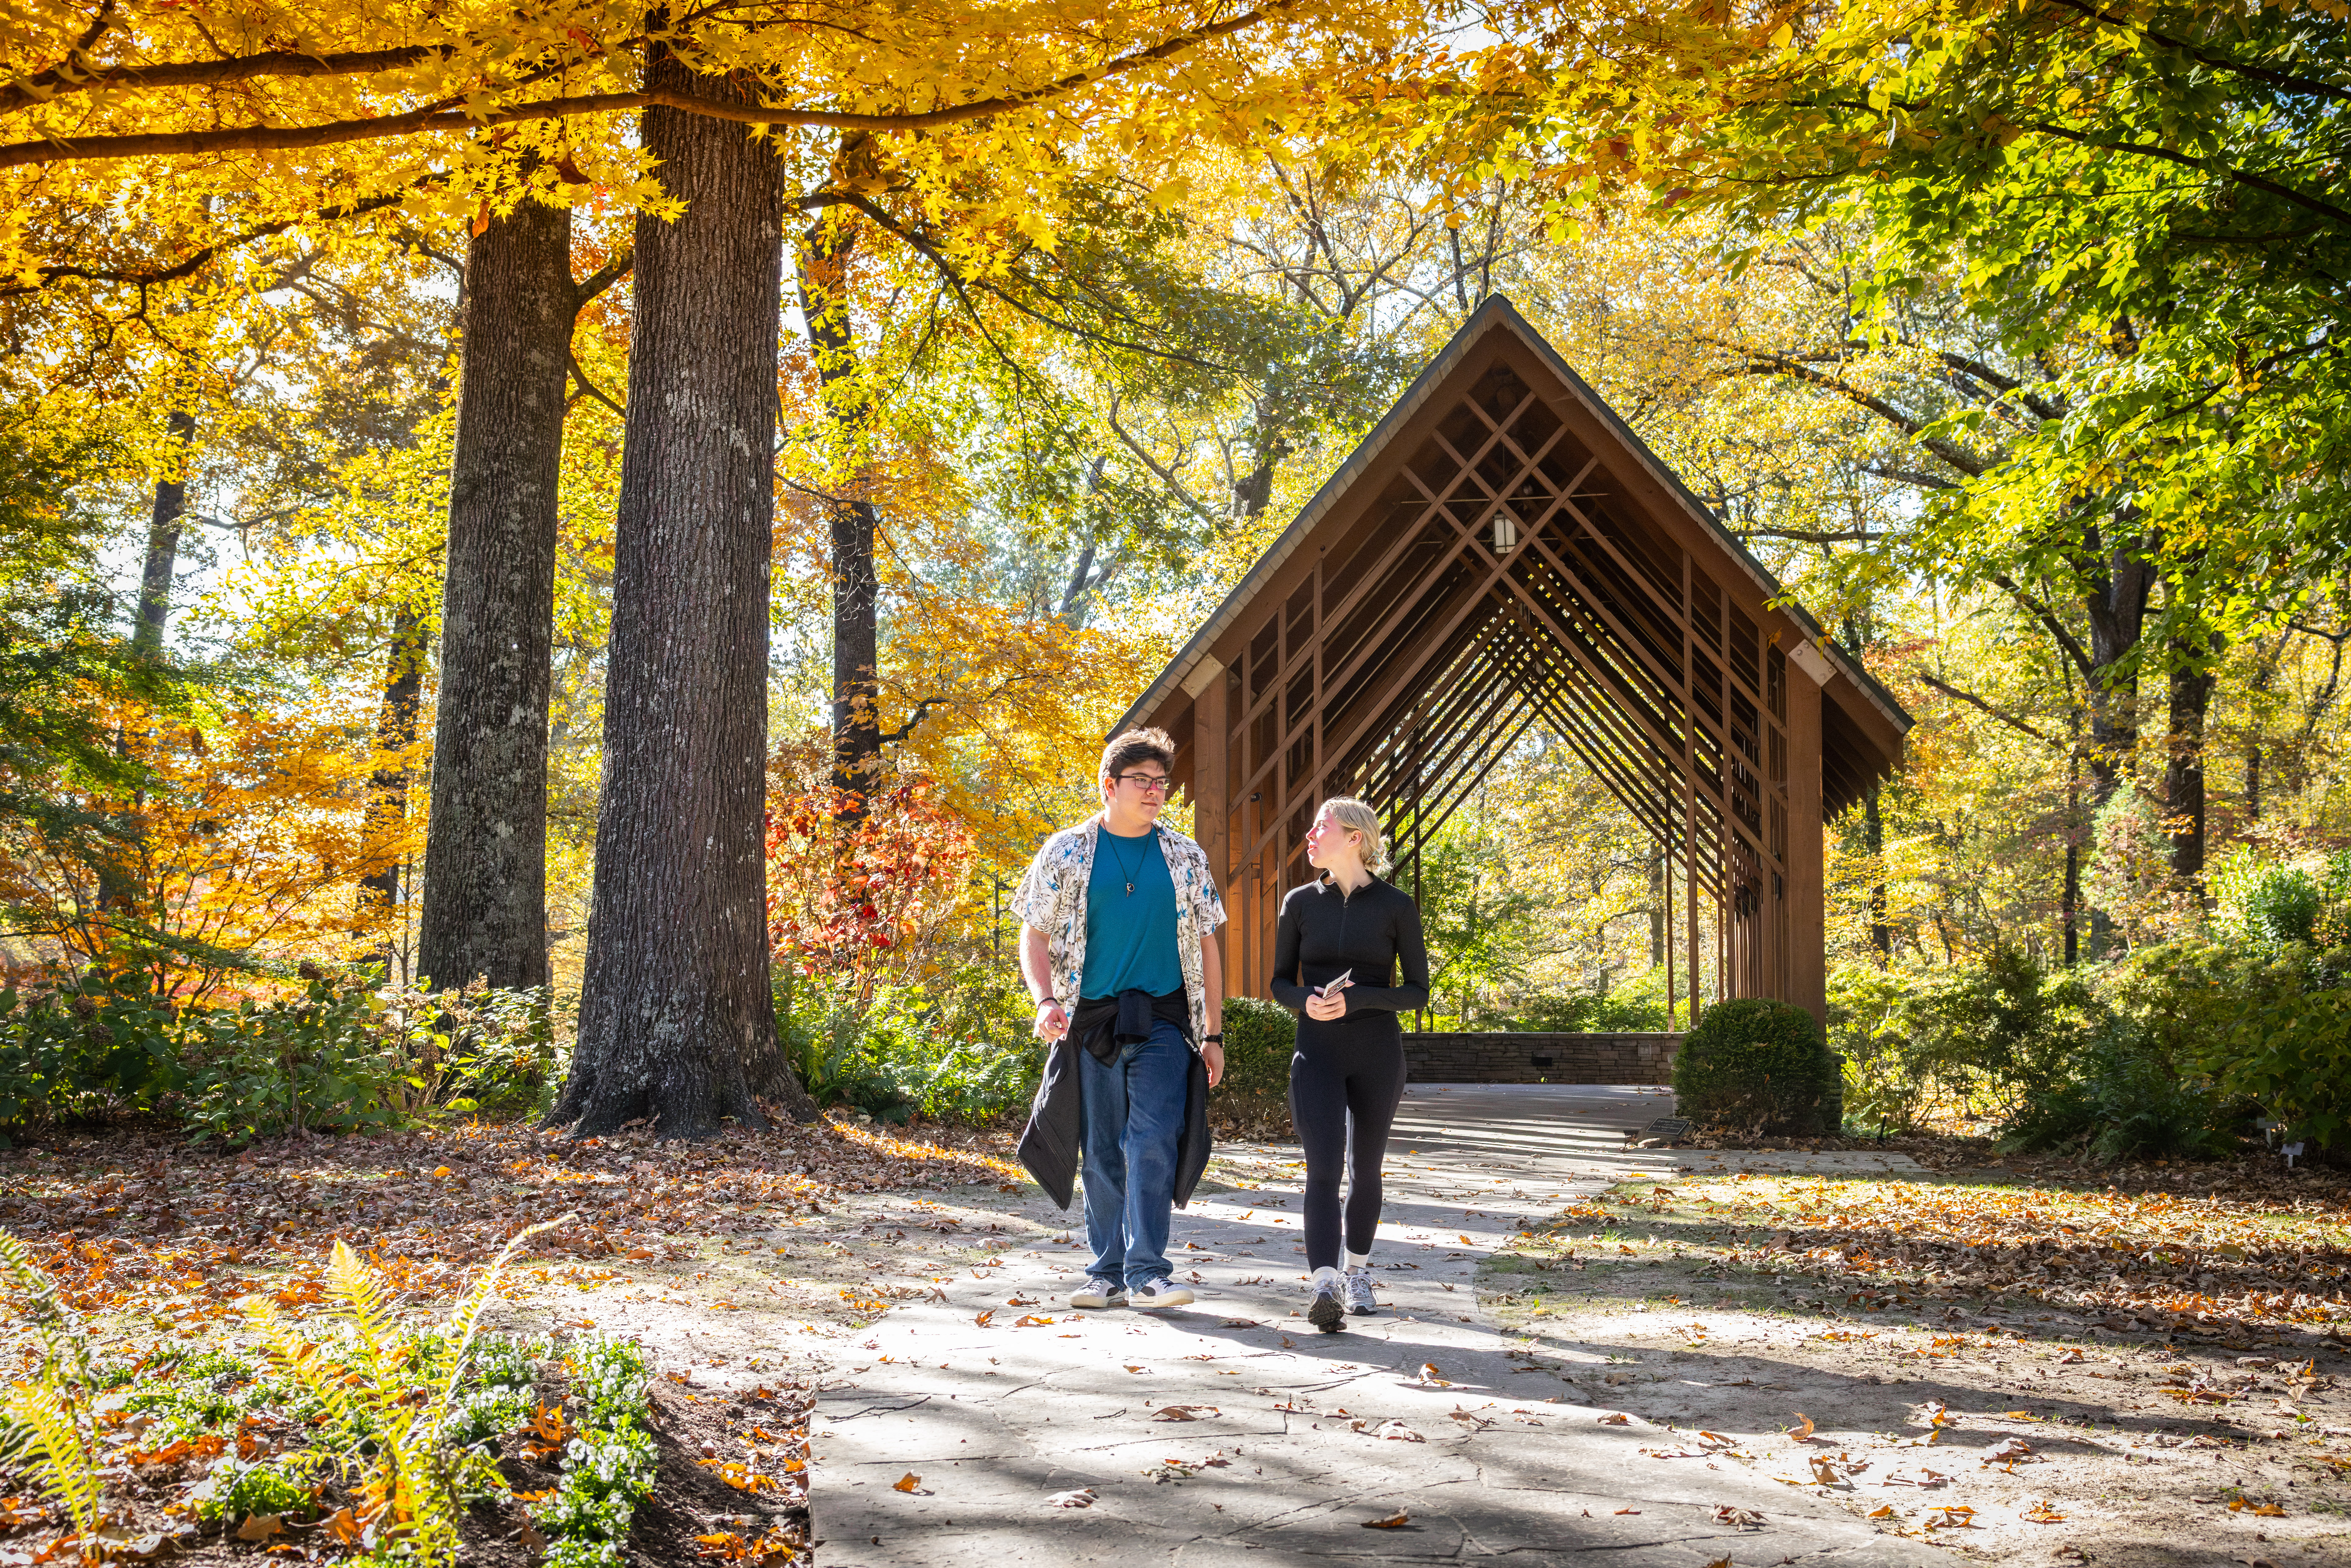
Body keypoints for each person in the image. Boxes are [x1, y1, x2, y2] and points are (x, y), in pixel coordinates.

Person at [1012, 727, 1227, 1311]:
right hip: (1090, 1021)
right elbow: (1033, 932)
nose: (1156, 791)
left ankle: (1149, 1272)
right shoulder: (1066, 851)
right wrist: (1045, 1000)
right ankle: (1104, 1273)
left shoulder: (1185, 856)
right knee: (1102, 1147)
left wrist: (1212, 1032)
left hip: (1163, 1021)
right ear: (1109, 785)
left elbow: (1208, 944)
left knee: (1152, 1138)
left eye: (1162, 783)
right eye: (1142, 781)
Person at [1270, 797, 1429, 1332]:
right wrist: (1304, 1001)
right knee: (1322, 1169)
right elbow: (1278, 982)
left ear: (1355, 837)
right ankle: (1324, 1283)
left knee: (1365, 1169)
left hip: (1377, 1055)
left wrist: (1358, 998)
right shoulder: (1298, 902)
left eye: (1321, 827)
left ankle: (1357, 1272)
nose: (1310, 835)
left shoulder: (1395, 905)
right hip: (1314, 1052)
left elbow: (1416, 992)